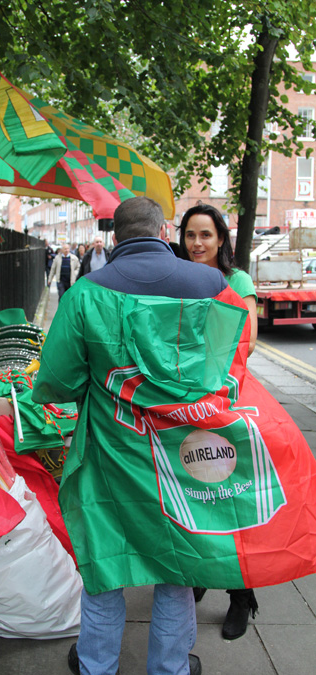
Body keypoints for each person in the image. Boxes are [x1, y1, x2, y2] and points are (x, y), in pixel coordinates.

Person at [33, 196, 234, 675]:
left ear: (115, 237)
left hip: (111, 453)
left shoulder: (86, 292)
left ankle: (96, 665)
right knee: (178, 565)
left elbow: (57, 381)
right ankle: (170, 667)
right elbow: (226, 366)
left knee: (105, 565)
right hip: (185, 453)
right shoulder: (211, 284)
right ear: (164, 230)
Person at [178, 202, 259, 639]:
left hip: (227, 402)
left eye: (206, 235)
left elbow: (246, 342)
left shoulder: (237, 280)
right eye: (191, 234)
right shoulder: (176, 277)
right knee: (194, 494)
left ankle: (241, 595)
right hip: (185, 405)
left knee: (230, 498)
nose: (197, 243)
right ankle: (198, 572)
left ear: (221, 239)